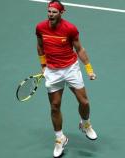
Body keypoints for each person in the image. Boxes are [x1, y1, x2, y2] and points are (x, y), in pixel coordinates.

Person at [35, 0, 98, 157]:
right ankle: (59, 138)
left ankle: (85, 124)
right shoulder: (40, 27)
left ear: (61, 13)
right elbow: (40, 46)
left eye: (54, 12)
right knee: (55, 106)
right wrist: (43, 66)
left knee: (84, 102)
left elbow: (80, 49)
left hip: (71, 69)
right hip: (52, 72)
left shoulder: (70, 29)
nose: (50, 15)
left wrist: (89, 69)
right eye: (49, 11)